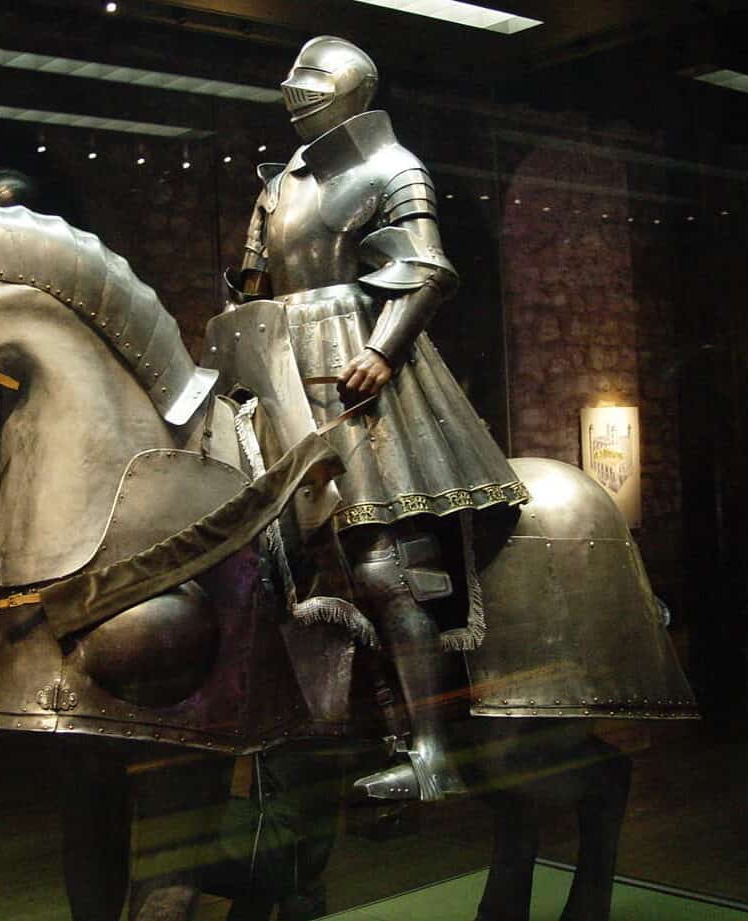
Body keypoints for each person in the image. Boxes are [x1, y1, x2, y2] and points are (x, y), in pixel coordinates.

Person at [224, 36, 529, 801]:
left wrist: (384, 348)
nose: (297, 93)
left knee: (383, 565)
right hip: (281, 364)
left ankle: (431, 754)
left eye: (314, 81)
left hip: (355, 363)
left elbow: (425, 269)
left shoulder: (392, 167)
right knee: (259, 556)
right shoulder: (278, 184)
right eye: (293, 81)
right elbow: (252, 283)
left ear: (354, 90)